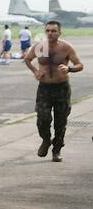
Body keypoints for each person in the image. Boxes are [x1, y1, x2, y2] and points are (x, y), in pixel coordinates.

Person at [24, 20, 84, 161]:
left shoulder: (66, 48)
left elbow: (80, 65)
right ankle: (46, 140)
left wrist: (69, 68)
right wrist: (35, 71)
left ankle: (57, 150)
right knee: (42, 118)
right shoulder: (40, 47)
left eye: (53, 31)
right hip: (44, 88)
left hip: (61, 88)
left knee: (61, 121)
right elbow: (27, 59)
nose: (50, 33)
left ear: (59, 32)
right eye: (48, 31)